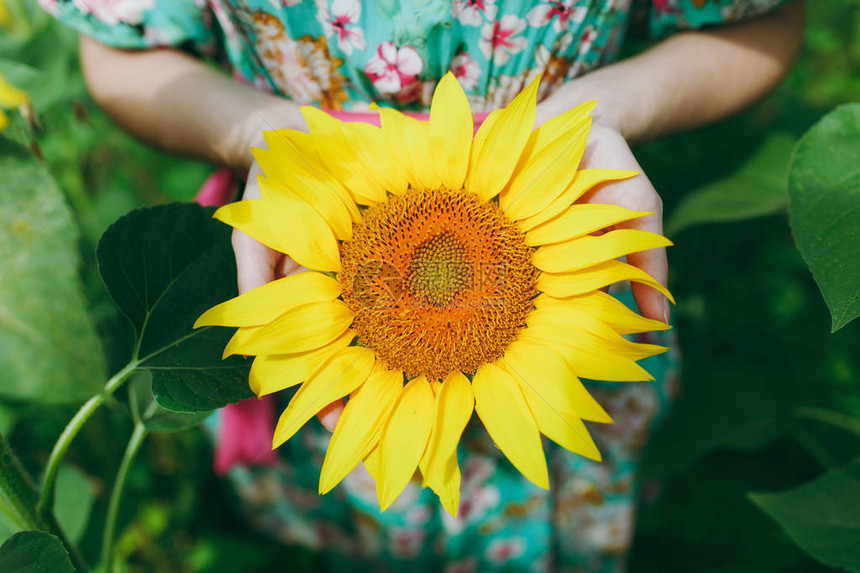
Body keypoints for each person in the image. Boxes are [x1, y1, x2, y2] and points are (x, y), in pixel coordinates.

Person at [41, 1, 804, 571]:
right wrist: (256, 131)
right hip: (309, 275)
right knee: (344, 509)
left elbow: (761, 20)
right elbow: (122, 47)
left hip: (563, 253)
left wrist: (599, 115)